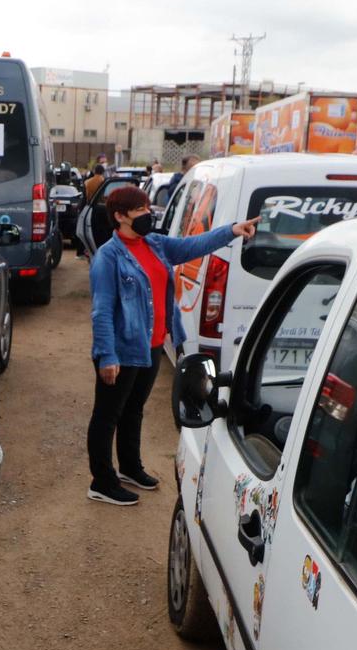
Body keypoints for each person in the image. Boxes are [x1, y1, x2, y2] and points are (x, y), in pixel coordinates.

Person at [86, 184, 257, 505]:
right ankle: (101, 481)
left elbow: (193, 245)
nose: (147, 215)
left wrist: (231, 230)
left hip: (149, 346)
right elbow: (102, 311)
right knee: (107, 415)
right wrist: (107, 355)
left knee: (134, 410)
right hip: (120, 351)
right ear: (120, 216)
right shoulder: (108, 258)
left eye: (148, 209)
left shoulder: (155, 244)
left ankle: (130, 468)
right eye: (140, 211)